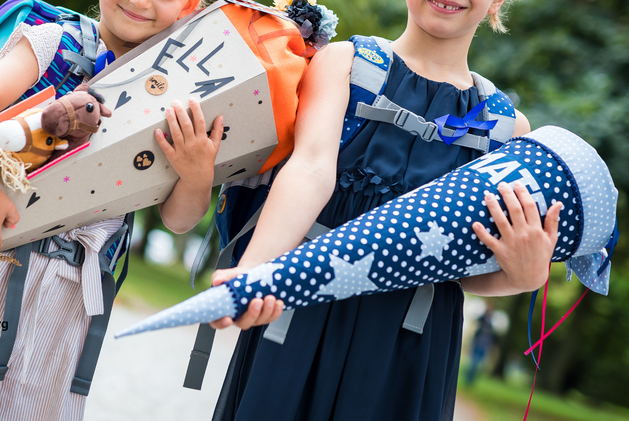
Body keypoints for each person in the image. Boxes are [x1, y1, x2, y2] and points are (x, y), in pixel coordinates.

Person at [0, 0, 219, 419]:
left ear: (190, 5)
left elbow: (178, 220)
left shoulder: (180, 86)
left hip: (71, 293)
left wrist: (198, 176)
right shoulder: (56, 39)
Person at [206, 0, 562, 419]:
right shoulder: (346, 62)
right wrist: (254, 269)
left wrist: (524, 277)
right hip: (304, 310)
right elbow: (310, 169)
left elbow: (465, 270)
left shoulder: (507, 127)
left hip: (411, 345)